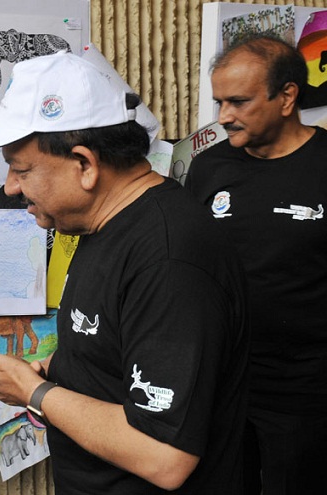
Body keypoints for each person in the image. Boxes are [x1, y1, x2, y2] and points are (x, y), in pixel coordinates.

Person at [0, 51, 250, 494]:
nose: (11, 188)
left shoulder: (169, 261)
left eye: (21, 170)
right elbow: (118, 353)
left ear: (85, 165)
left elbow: (164, 456)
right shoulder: (100, 223)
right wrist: (42, 369)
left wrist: (34, 392)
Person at [185, 33, 327, 495]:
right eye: (220, 102)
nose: (224, 116)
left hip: (306, 395)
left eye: (239, 102)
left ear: (286, 97)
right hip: (222, 386)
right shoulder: (208, 168)